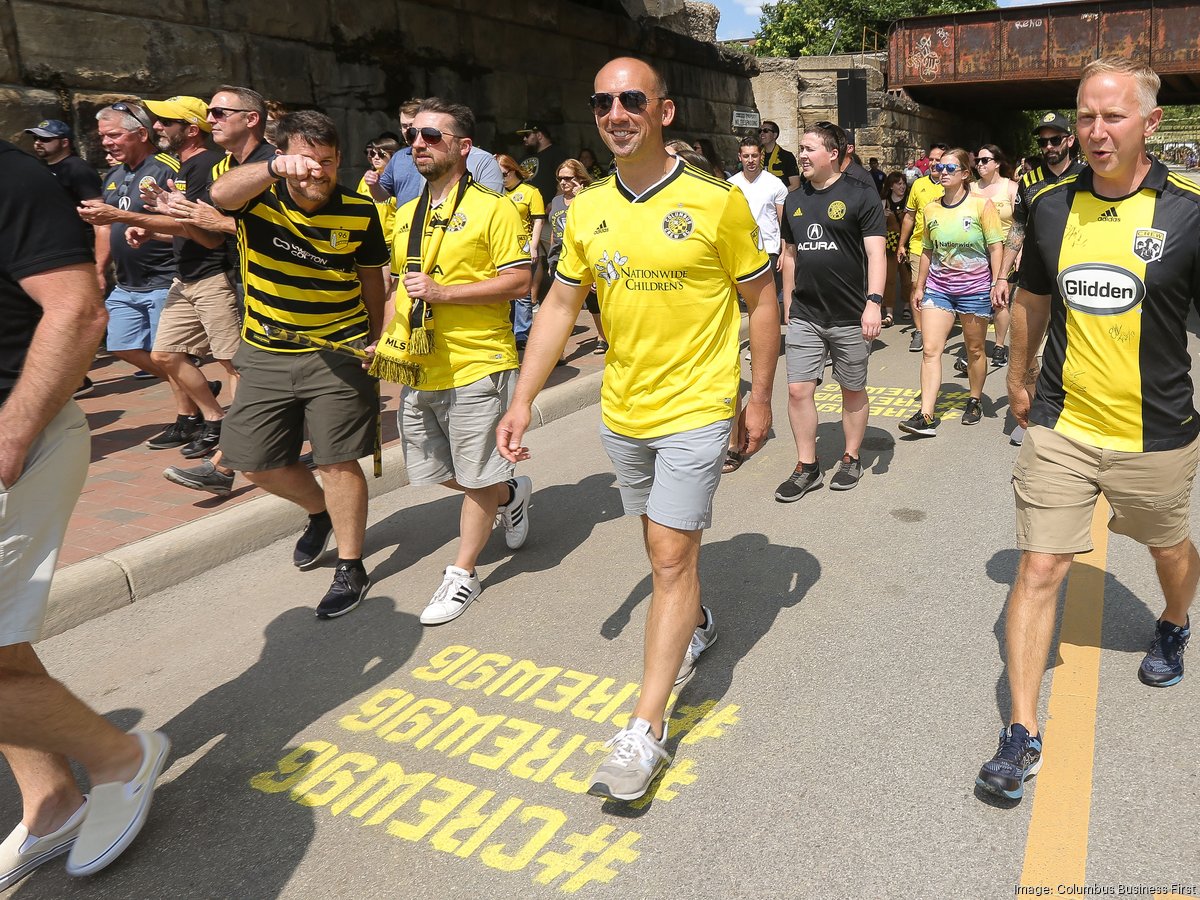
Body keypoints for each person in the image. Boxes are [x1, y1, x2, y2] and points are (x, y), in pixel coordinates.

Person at [496, 57, 779, 801]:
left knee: (667, 557)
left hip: (697, 404)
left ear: (664, 111)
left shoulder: (716, 202)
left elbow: (760, 301)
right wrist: (523, 398)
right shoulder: (586, 206)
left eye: (631, 100)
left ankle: (645, 729)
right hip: (622, 411)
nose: (615, 112)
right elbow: (559, 306)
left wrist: (758, 399)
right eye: (602, 102)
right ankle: (698, 621)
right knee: (663, 553)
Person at [978, 57, 1200, 801]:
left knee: (1169, 548)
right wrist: (1017, 374)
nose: (1096, 132)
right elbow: (1032, 300)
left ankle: (1173, 621)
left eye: (1113, 117)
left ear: (1150, 124)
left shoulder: (1189, 212)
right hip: (1061, 424)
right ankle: (1020, 732)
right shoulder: (1047, 206)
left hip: (1157, 432)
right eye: (1085, 116)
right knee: (1039, 568)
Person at [0, 139, 169, 888]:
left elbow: (76, 310)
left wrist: (8, 440)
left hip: (20, 436)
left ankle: (119, 757)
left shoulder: (11, 176)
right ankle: (52, 801)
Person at [208, 110, 389, 619]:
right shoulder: (258, 198)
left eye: (328, 162)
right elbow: (219, 196)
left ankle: (351, 565)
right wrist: (273, 169)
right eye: (307, 162)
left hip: (339, 351)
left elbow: (372, 277)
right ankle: (318, 513)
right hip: (266, 352)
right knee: (251, 460)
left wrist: (377, 338)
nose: (319, 173)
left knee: (337, 460)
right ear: (285, 158)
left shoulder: (358, 208)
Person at [371, 98, 533, 627]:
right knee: (434, 469)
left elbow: (519, 281)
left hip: (477, 362)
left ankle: (464, 573)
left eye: (432, 136)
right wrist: (384, 340)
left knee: (476, 469)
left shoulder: (496, 207)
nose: (418, 143)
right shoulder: (408, 212)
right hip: (420, 363)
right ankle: (508, 491)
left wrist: (445, 292)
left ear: (463, 147)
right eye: (414, 136)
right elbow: (400, 285)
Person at [159, 85, 278, 495]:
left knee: (250, 374)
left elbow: (293, 233)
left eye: (219, 112)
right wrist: (186, 217)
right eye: (209, 112)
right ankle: (227, 462)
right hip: (240, 283)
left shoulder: (274, 164)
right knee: (250, 373)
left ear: (251, 118)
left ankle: (225, 464)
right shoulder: (221, 167)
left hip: (284, 291)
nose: (210, 119)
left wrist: (214, 221)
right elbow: (214, 239)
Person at [775, 122, 886, 499]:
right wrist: (788, 302)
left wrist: (874, 302)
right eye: (801, 149)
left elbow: (876, 252)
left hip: (851, 314)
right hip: (807, 313)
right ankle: (807, 466)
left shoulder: (861, 195)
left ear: (833, 154)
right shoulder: (794, 200)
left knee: (852, 389)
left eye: (809, 149)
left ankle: (851, 456)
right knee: (797, 389)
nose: (801, 156)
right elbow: (789, 255)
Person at [990, 114, 1086, 448]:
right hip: (1034, 280)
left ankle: (1073, 414)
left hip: (1077, 280)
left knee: (1075, 351)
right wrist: (1002, 276)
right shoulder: (1030, 181)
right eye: (1043, 142)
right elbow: (1017, 229)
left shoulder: (1089, 176)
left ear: (1069, 140)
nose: (1048, 147)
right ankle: (1031, 413)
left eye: (1055, 140)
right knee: (1025, 352)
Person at [79, 102, 180, 407]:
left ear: (140, 134)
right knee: (120, 345)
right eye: (103, 137)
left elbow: (188, 224)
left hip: (164, 279)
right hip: (126, 283)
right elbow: (107, 228)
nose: (107, 142)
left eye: (114, 135)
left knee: (171, 356)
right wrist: (99, 269)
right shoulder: (113, 174)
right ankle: (195, 389)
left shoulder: (167, 168)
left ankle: (191, 413)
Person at [898, 148, 1003, 437]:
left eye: (950, 168)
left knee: (975, 349)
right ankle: (927, 414)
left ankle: (974, 399)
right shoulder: (931, 208)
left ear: (965, 174)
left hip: (974, 289)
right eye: (939, 168)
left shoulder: (982, 206)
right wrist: (919, 287)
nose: (942, 172)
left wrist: (996, 283)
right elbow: (929, 250)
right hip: (939, 289)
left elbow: (995, 247)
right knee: (931, 351)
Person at [723, 136, 786, 473]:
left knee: (764, 308)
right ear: (739, 157)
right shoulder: (730, 186)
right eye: (745, 156)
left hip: (767, 251)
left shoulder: (774, 184)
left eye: (754, 156)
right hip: (735, 255)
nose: (750, 160)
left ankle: (760, 347)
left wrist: (784, 250)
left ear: (761, 157)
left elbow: (780, 220)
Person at [545, 159, 606, 355]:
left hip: (584, 257)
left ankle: (603, 336)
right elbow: (555, 230)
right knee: (563, 306)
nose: (563, 183)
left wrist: (582, 198)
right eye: (560, 178)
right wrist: (551, 258)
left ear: (579, 178)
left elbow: (598, 227)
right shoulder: (556, 201)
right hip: (561, 258)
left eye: (568, 178)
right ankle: (559, 349)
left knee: (594, 303)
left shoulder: (589, 198)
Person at [967, 144, 1018, 367]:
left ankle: (998, 346)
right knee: (974, 300)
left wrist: (1019, 251)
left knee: (1000, 300)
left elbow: (1021, 223)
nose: (979, 164)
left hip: (1005, 251)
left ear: (997, 163)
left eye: (985, 160)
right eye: (977, 161)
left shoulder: (1011, 188)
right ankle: (974, 347)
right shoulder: (969, 189)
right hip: (976, 253)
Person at [896, 142, 948, 353]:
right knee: (917, 286)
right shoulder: (918, 185)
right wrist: (902, 244)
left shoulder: (954, 184)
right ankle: (919, 331)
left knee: (942, 288)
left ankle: (938, 328)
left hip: (946, 247)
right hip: (919, 244)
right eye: (932, 159)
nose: (934, 164)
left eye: (939, 160)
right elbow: (909, 216)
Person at [496, 154, 546, 349]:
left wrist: (533, 246)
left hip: (522, 246)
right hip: (500, 245)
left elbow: (538, 220)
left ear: (514, 170)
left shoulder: (530, 192)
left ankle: (521, 333)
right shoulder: (496, 192)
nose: (502, 178)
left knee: (522, 294)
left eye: (504, 174)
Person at [881, 171, 912, 328]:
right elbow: (877, 226)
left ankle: (907, 306)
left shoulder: (909, 201)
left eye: (903, 183)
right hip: (891, 244)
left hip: (907, 244)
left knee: (907, 278)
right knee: (890, 278)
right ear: (891, 186)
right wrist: (883, 216)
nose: (902, 186)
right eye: (898, 183)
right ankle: (889, 312)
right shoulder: (884, 202)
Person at [357, 136, 399, 236]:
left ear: (392, 156)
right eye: (372, 153)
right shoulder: (366, 179)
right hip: (369, 238)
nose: (375, 157)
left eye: (381, 154)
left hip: (392, 239)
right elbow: (359, 206)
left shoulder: (399, 180)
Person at [517, 123, 569, 203]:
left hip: (545, 210)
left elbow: (565, 180)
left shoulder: (557, 154)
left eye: (527, 135)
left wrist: (555, 204)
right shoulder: (523, 157)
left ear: (539, 135)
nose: (524, 139)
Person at [759, 120, 801, 191]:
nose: (762, 133)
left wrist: (779, 196)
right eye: (760, 131)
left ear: (775, 135)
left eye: (766, 131)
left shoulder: (787, 156)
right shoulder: (756, 156)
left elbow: (795, 184)